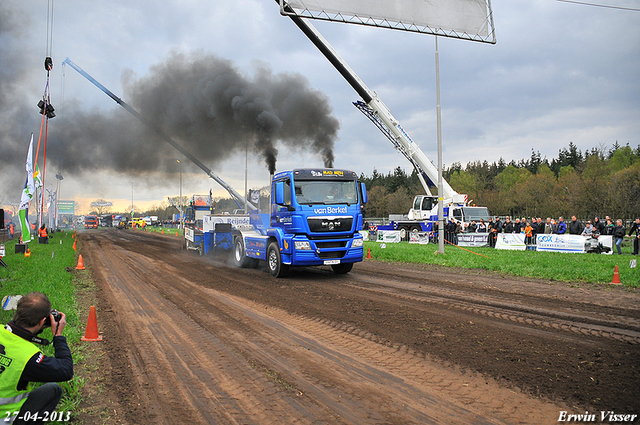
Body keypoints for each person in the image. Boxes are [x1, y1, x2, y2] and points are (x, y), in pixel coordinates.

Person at [0, 292, 73, 424]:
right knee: (53, 390)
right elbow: (66, 370)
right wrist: (58, 336)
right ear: (42, 321)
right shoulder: (29, 357)